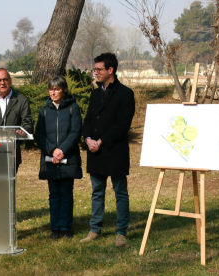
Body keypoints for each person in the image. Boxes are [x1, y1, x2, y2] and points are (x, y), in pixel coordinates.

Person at [79, 53, 135, 247]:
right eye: (95, 69)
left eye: (99, 69)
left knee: (120, 193)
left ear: (110, 70)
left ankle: (121, 232)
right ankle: (95, 229)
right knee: (97, 192)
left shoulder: (125, 94)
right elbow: (87, 121)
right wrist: (88, 139)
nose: (95, 73)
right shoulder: (95, 94)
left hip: (115, 151)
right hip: (95, 152)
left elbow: (122, 125)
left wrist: (101, 140)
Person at [35, 76, 82, 239]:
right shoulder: (44, 110)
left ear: (64, 90)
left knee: (66, 194)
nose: (53, 92)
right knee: (54, 194)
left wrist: (61, 150)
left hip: (68, 157)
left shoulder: (73, 108)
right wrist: (52, 150)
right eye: (51, 89)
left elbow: (76, 132)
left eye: (57, 89)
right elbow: (39, 134)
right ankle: (55, 228)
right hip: (50, 159)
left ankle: (66, 228)